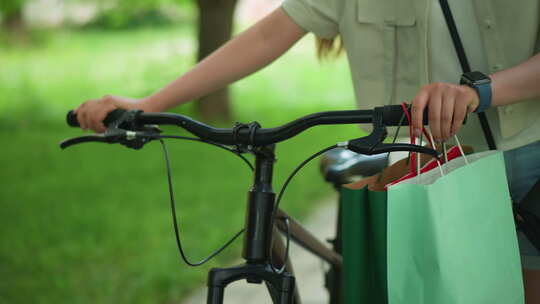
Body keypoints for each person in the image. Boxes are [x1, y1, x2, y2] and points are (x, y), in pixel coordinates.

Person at [74, 0, 540, 301]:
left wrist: (480, 92)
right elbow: (267, 34)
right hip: (416, 168)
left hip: (525, 156)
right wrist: (148, 105)